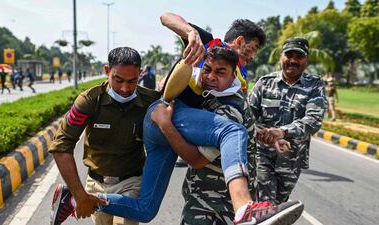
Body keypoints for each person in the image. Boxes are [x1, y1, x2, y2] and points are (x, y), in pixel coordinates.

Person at [51, 16, 304, 225]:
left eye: (220, 72)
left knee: (146, 209)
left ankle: (71, 201)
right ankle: (244, 207)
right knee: (233, 132)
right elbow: (165, 17)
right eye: (251, 49)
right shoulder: (207, 44)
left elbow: (237, 116)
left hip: (168, 130)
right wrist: (191, 33)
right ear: (239, 41)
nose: (211, 76)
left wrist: (262, 133)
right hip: (170, 115)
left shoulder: (240, 80)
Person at [154, 45, 291, 224]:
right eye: (207, 69)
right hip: (206, 197)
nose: (211, 76)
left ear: (233, 76)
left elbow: (196, 160)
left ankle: (246, 210)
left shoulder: (228, 110)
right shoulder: (213, 94)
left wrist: (166, 125)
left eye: (220, 72)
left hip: (220, 204)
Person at [49, 47, 160, 225]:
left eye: (132, 81)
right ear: (107, 71)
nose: (125, 88)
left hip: (132, 182)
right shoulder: (89, 101)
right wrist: (81, 195)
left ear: (140, 73)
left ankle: (69, 201)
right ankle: (72, 198)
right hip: (97, 183)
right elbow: (62, 145)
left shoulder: (151, 102)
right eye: (118, 80)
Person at [249, 37, 327, 205]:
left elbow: (313, 119)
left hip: (292, 160)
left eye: (298, 56)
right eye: (288, 55)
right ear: (281, 57)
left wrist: (282, 132)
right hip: (262, 156)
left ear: (306, 60)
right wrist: (264, 133)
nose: (292, 60)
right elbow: (247, 118)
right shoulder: (265, 83)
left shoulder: (314, 85)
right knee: (265, 204)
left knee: (279, 205)